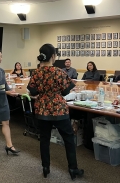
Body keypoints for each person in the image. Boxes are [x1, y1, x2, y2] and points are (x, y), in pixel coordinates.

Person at [27, 44, 84, 180]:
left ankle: (46, 167)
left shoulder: (36, 72)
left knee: (44, 139)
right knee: (68, 139)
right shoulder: (59, 72)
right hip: (59, 109)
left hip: (42, 109)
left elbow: (33, 90)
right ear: (53, 56)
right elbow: (65, 91)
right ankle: (72, 168)